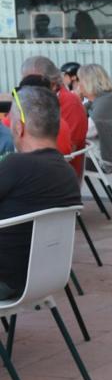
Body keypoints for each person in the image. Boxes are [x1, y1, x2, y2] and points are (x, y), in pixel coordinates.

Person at [0, 86, 82, 300]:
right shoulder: (67, 171)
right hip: (45, 277)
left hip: (8, 281)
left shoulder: (15, 166)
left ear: (19, 128)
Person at [12, 57, 87, 178]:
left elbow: (67, 148)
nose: (29, 88)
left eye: (35, 83)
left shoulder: (69, 102)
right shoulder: (38, 102)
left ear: (52, 84)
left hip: (57, 172)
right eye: (27, 82)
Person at [77, 64, 112, 173]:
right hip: (107, 157)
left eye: (80, 80)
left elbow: (84, 132)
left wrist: (75, 101)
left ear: (89, 82)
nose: (78, 85)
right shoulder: (107, 98)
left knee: (57, 161)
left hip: (103, 162)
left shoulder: (103, 103)